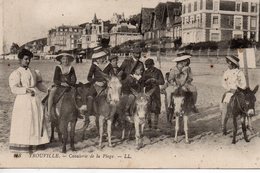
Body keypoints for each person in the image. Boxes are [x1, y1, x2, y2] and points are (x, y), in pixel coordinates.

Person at [8, 49, 49, 152]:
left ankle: (36, 142)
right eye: (26, 59)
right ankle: (24, 144)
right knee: (25, 121)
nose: (28, 61)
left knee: (36, 119)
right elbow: (14, 88)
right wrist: (25, 89)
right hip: (23, 100)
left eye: (29, 59)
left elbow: (39, 85)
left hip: (34, 100)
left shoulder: (34, 71)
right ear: (20, 60)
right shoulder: (16, 73)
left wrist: (47, 90)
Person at [86, 47, 115, 130]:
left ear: (104, 57)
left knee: (114, 98)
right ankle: (89, 117)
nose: (100, 59)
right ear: (96, 58)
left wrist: (107, 82)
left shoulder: (108, 64)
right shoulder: (94, 65)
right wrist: (96, 82)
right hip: (95, 85)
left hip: (106, 85)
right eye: (98, 58)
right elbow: (89, 77)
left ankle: (114, 115)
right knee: (90, 97)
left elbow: (113, 76)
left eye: (102, 57)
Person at [47, 53, 82, 119]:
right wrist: (62, 83)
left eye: (66, 59)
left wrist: (70, 83)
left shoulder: (71, 68)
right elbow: (55, 79)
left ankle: (78, 111)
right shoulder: (58, 67)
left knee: (79, 93)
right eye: (63, 59)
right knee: (52, 92)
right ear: (60, 60)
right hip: (59, 85)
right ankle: (49, 112)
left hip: (69, 85)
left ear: (68, 60)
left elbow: (74, 79)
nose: (65, 61)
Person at [221, 55, 246, 129]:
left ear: (232, 64)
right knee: (226, 104)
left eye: (229, 63)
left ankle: (246, 120)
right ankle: (223, 124)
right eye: (227, 63)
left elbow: (244, 84)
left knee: (245, 103)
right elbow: (223, 83)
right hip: (230, 91)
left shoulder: (239, 72)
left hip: (238, 91)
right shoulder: (226, 72)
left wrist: (239, 87)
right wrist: (229, 89)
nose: (228, 65)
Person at [141, 59, 165, 130]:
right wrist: (146, 82)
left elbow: (162, 81)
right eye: (146, 65)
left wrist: (155, 80)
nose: (147, 67)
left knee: (156, 108)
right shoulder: (145, 72)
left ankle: (155, 125)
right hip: (148, 91)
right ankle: (149, 125)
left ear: (152, 64)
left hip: (155, 91)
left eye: (149, 65)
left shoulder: (158, 71)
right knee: (147, 107)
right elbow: (142, 83)